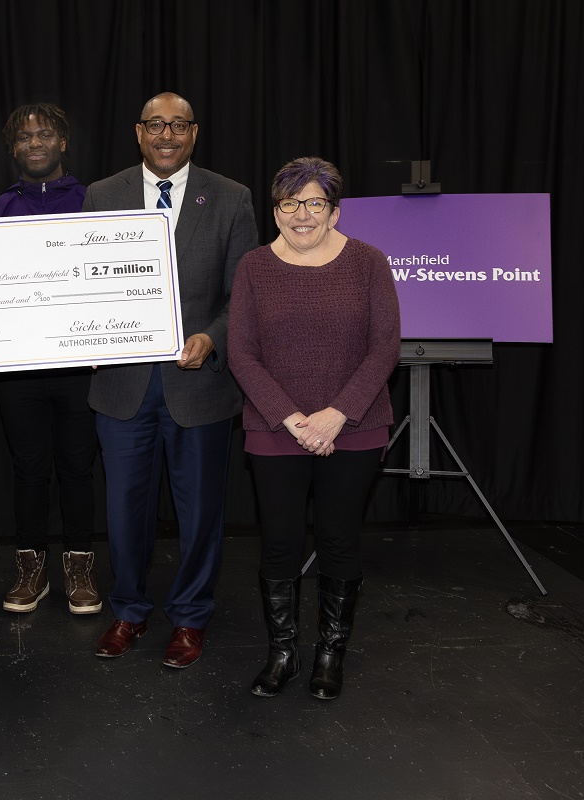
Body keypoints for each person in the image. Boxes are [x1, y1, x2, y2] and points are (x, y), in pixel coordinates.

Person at [84, 92, 258, 668]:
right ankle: (128, 611)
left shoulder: (232, 198)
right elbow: (80, 282)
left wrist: (212, 338)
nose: (166, 135)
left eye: (177, 126)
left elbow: (243, 299)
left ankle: (190, 618)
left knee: (200, 511)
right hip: (121, 386)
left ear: (194, 133)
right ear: (138, 132)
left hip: (199, 386)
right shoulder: (101, 196)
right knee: (123, 513)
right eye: (155, 125)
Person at [228, 157, 400, 700]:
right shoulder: (253, 267)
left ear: (334, 210)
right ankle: (282, 652)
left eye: (314, 203)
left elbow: (385, 348)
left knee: (339, 542)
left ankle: (330, 653)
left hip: (354, 426)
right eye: (289, 203)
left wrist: (335, 415)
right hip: (276, 428)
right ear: (275, 211)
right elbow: (242, 354)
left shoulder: (369, 263)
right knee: (278, 546)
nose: (302, 214)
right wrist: (292, 418)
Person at [0, 103, 101, 616]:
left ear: (63, 143)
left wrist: (109, 342)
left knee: (78, 468)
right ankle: (31, 567)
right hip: (19, 370)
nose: (35, 142)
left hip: (83, 369)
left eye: (45, 133)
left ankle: (79, 566)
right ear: (13, 149)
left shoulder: (97, 201)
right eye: (24, 136)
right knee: (29, 468)